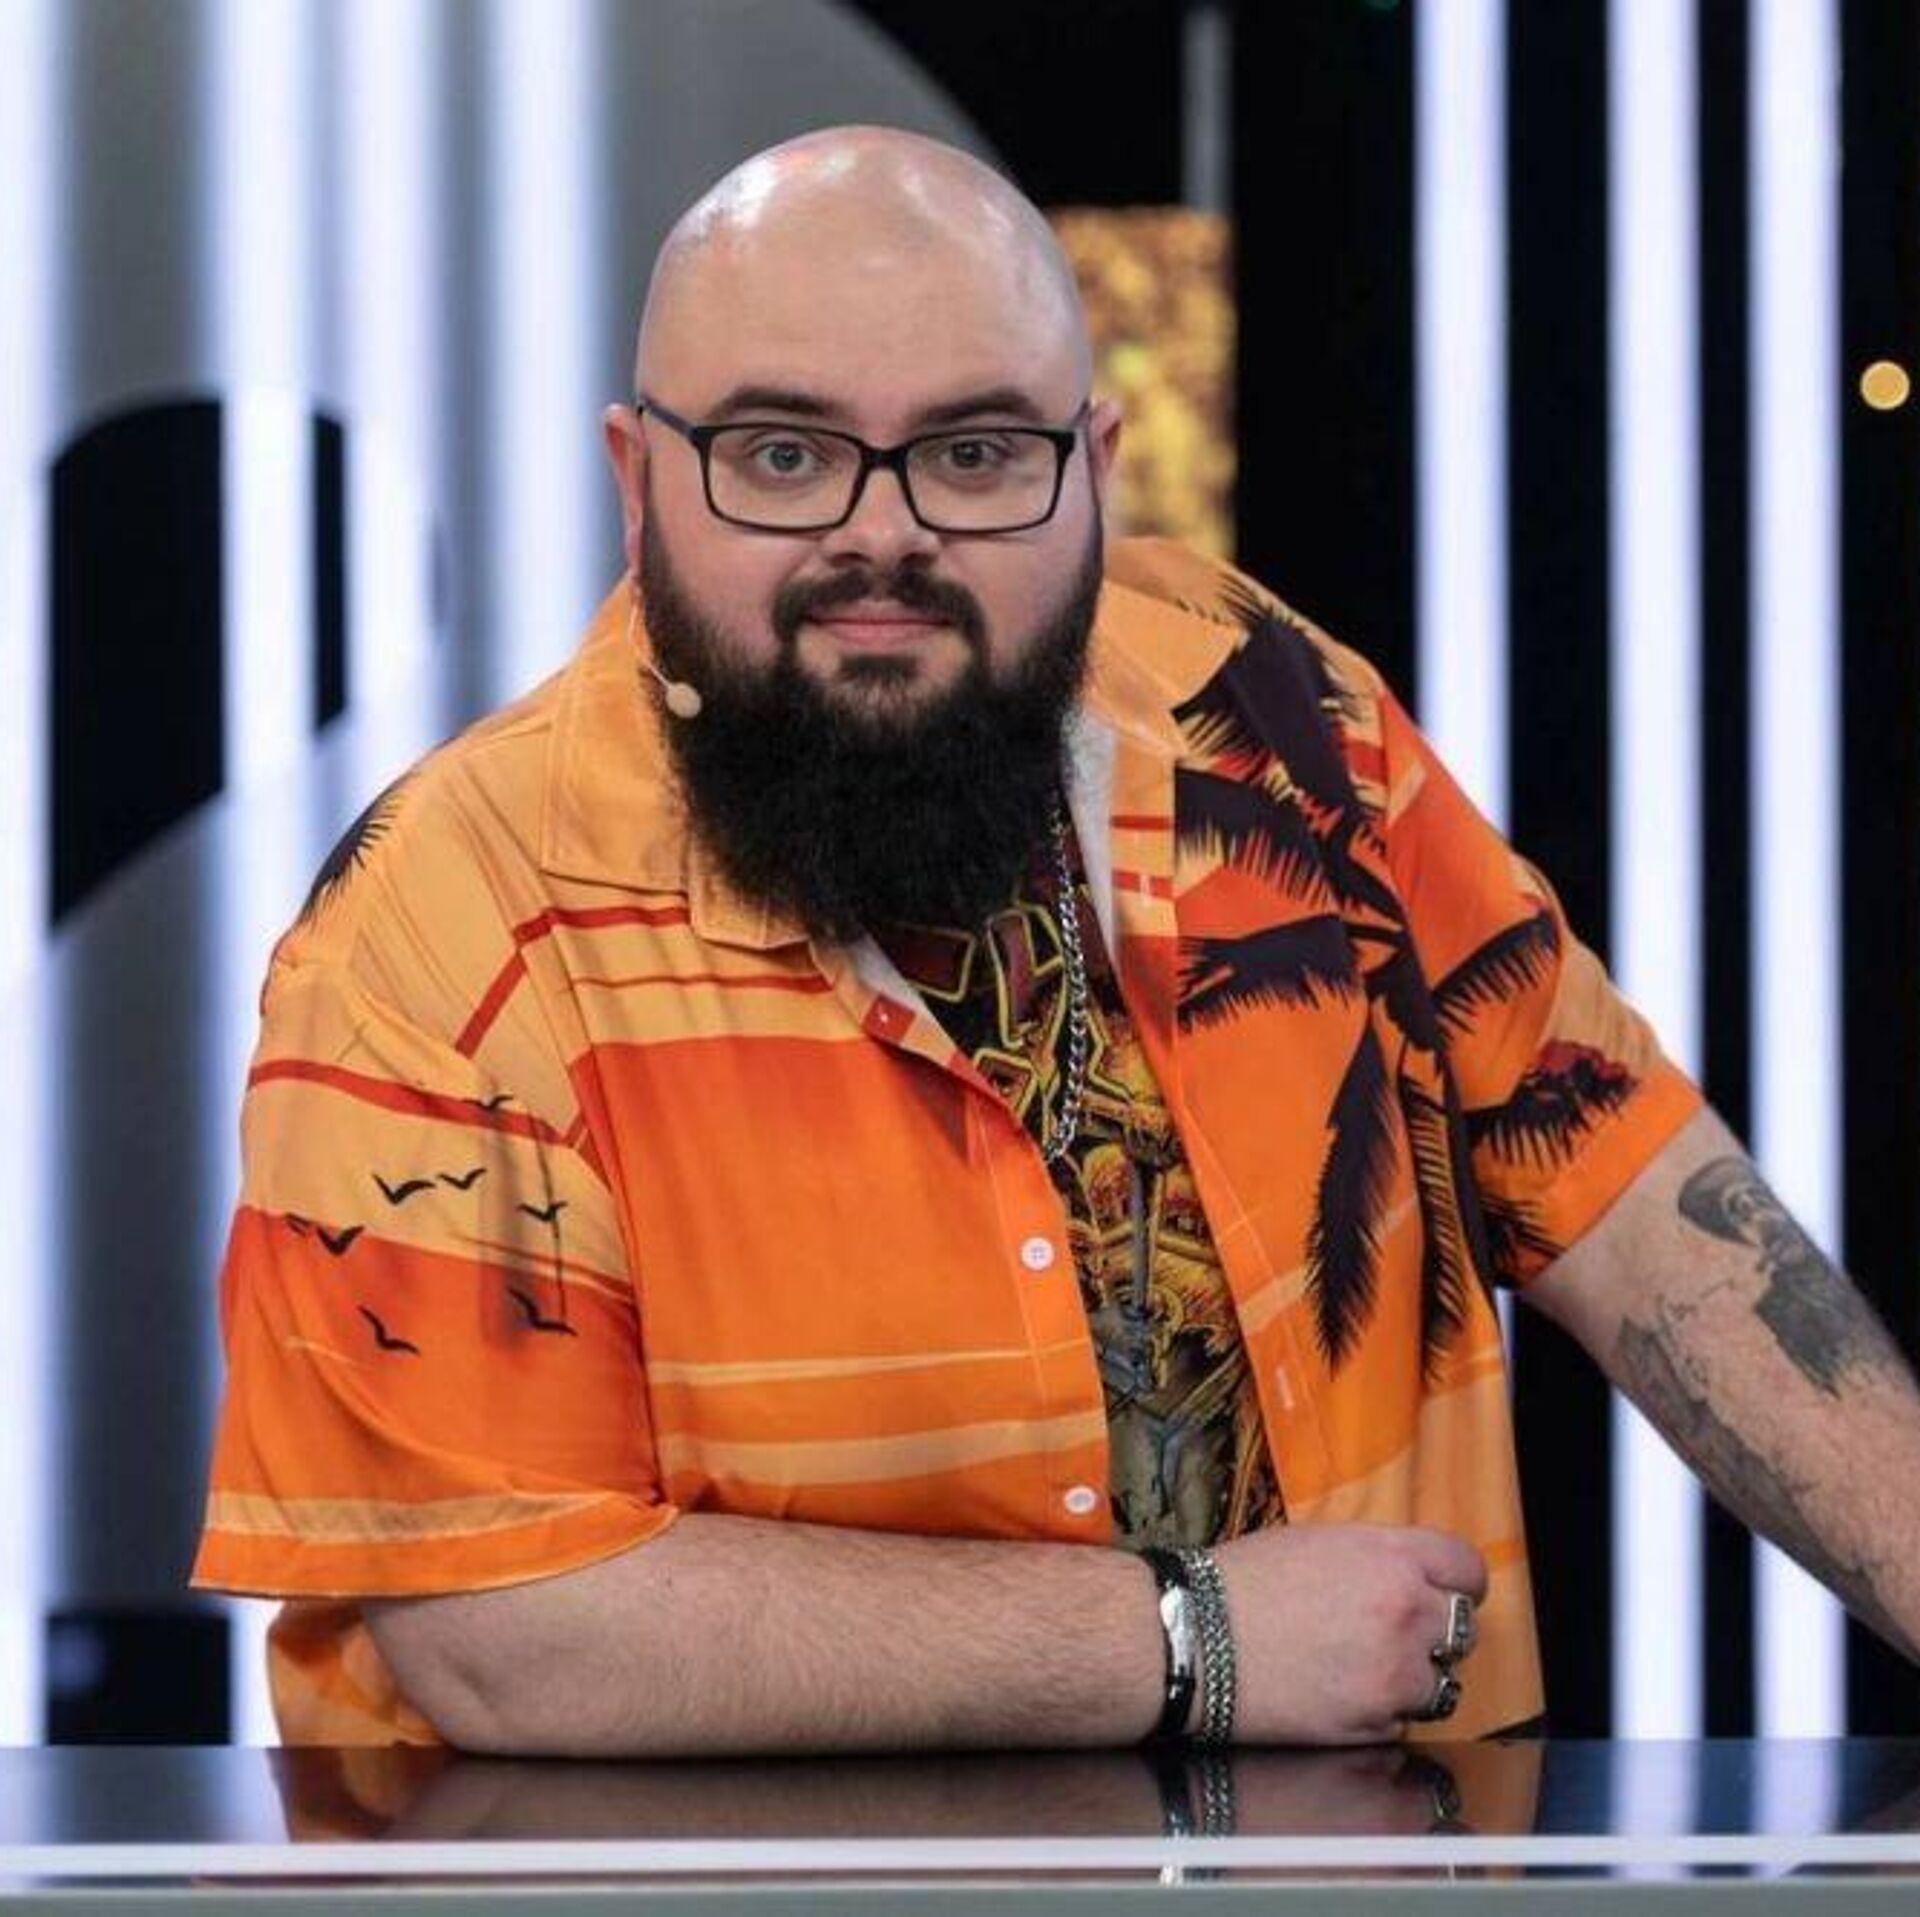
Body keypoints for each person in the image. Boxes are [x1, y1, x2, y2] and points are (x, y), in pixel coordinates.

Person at [192, 126, 1920, 1755]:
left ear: (1094, 469)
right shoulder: (431, 928)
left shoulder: (1264, 708)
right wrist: (1192, 1638)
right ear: (639, 482)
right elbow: (503, 1626)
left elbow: (1644, 1208)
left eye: (974, 454)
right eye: (783, 454)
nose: (883, 535)